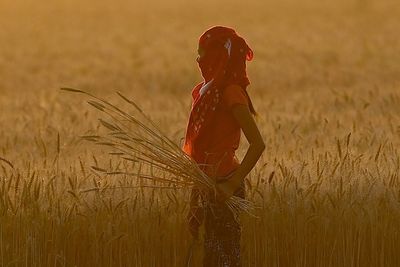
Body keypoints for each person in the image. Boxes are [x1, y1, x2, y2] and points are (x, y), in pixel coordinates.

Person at [182, 26, 265, 267]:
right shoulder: (205, 93)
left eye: (203, 52)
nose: (199, 59)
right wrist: (194, 205)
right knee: (211, 258)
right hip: (208, 188)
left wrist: (230, 184)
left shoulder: (230, 93)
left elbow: (258, 144)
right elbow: (200, 157)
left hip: (226, 188)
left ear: (219, 55)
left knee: (225, 259)